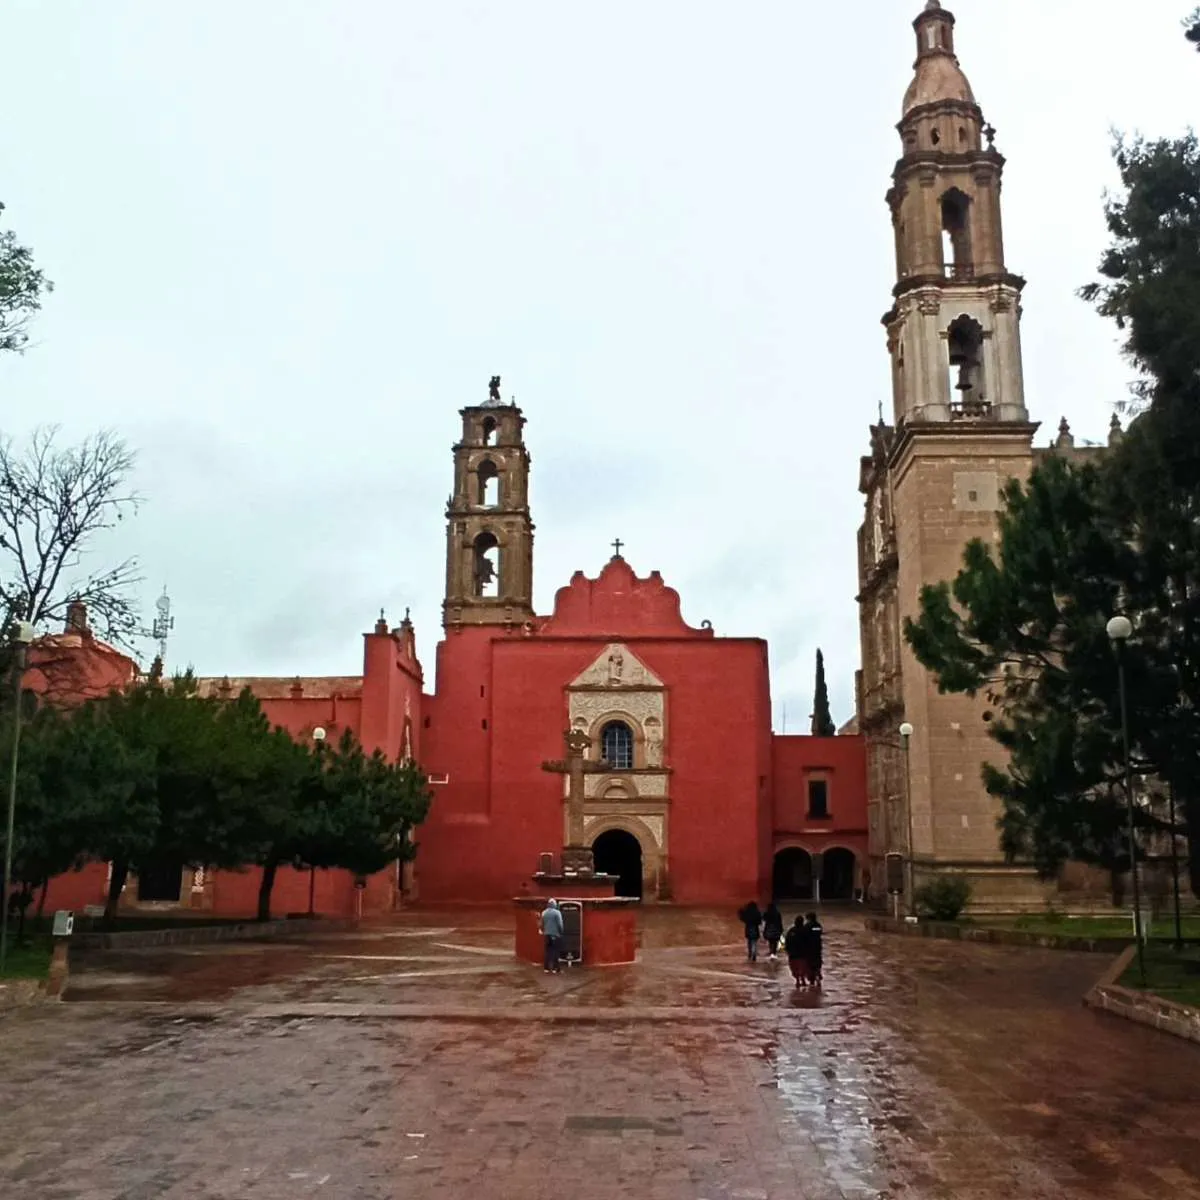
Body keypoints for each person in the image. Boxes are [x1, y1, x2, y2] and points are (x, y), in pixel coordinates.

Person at [783, 914, 809, 989]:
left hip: (793, 954)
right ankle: (802, 979)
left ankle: (798, 980)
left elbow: (787, 941)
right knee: (803, 967)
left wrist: (787, 950)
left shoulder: (791, 931)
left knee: (794, 968)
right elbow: (809, 941)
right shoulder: (805, 930)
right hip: (803, 953)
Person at [540, 898, 564, 974]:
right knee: (555, 952)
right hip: (555, 934)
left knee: (548, 951)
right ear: (554, 904)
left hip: (547, 934)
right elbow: (560, 924)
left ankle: (546, 968)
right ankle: (555, 968)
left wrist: (543, 931)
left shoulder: (544, 912)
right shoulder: (557, 913)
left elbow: (541, 924)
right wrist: (561, 932)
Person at [804, 911, 824, 987]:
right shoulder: (818, 925)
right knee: (818, 960)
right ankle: (818, 973)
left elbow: (804, 936)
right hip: (818, 946)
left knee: (810, 963)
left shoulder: (807, 926)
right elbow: (820, 933)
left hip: (809, 947)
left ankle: (812, 980)